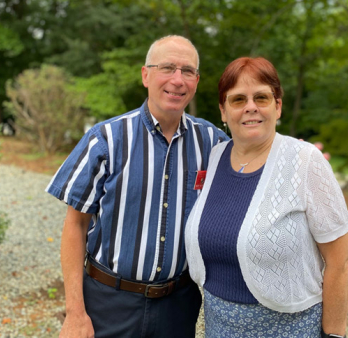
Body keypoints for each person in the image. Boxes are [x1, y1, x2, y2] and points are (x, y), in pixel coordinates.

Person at [46, 35, 228, 338]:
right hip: (108, 303)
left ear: (197, 81)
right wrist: (75, 313)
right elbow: (75, 226)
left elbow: (254, 162)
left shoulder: (213, 143)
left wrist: (294, 154)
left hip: (178, 307)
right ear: (146, 75)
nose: (177, 80)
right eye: (167, 68)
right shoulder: (105, 139)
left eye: (187, 71)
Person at [185, 57, 348, 338]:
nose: (251, 107)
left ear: (278, 106)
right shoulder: (214, 158)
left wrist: (334, 335)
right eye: (238, 100)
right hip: (220, 328)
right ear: (223, 112)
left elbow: (340, 262)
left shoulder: (305, 161)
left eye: (261, 97)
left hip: (290, 329)